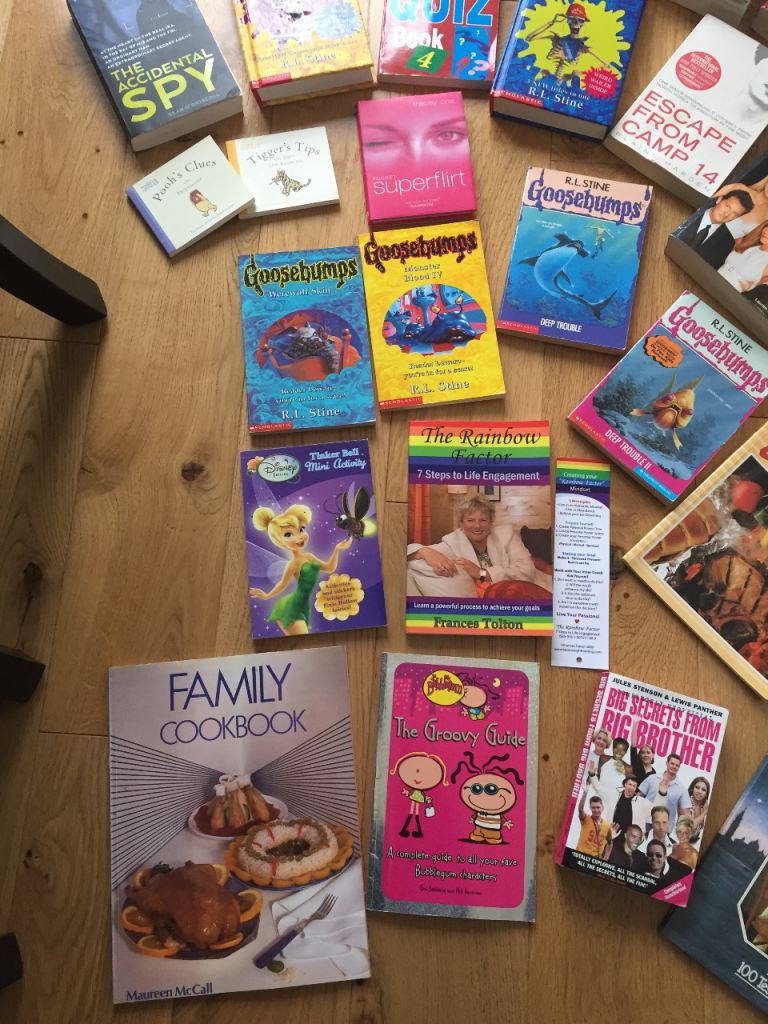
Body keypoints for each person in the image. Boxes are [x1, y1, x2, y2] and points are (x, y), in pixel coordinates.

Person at [406, 494, 538, 598]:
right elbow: (407, 551)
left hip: (521, 592)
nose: (477, 526)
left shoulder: (506, 535)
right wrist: (425, 552)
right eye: (470, 520)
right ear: (461, 524)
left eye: (483, 520)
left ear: (491, 522)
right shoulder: (453, 540)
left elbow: (527, 571)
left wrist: (482, 573)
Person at [249, 504, 352, 636]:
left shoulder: (309, 557)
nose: (299, 536)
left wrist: (337, 550)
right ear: (280, 542)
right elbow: (282, 583)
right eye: (288, 534)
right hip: (291, 607)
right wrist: (267, 595)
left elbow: (329, 568)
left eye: (301, 529)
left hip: (303, 605)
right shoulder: (293, 564)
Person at [525, 3, 618, 88]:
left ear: (583, 24)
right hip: (541, 77)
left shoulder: (583, 47)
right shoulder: (556, 39)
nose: (576, 24)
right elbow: (529, 38)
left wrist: (585, 73)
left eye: (580, 20)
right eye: (572, 19)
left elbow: (607, 65)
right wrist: (551, 23)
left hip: (565, 83)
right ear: (567, 21)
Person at [675, 190, 755, 269]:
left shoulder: (727, 244)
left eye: (735, 214)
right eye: (727, 206)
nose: (726, 214)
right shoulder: (692, 207)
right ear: (719, 200)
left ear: (736, 218)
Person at [390, 751, 449, 839]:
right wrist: (407, 793)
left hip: (417, 799)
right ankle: (408, 830)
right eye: (417, 771)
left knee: (415, 813)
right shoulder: (416, 791)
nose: (419, 777)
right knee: (412, 813)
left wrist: (426, 799)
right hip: (415, 798)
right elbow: (413, 793)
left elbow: (419, 795)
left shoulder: (419, 792)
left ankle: (415, 830)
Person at [639, 753, 691, 834]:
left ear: (679, 767)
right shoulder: (652, 778)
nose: (674, 766)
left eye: (677, 765)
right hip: (645, 822)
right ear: (667, 763)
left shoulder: (682, 789)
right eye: (672, 763)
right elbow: (638, 797)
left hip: (664, 828)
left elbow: (684, 814)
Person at [718, 222, 768, 293]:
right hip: (711, 277)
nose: (766, 231)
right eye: (767, 226)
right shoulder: (749, 244)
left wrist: (746, 285)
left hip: (726, 292)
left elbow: (753, 287)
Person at [575, 782, 612, 859]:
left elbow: (610, 843)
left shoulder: (606, 825)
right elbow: (580, 809)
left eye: (598, 807)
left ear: (602, 807)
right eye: (593, 808)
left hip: (594, 861)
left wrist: (605, 859)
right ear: (590, 808)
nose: (596, 810)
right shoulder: (586, 819)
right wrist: (585, 793)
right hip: (579, 856)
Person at [628, 718, 656, 783]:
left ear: (653, 755)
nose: (645, 755)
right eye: (643, 753)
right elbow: (633, 744)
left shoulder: (654, 773)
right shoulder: (636, 763)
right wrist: (635, 724)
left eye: (648, 753)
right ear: (640, 755)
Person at [686, 776, 710, 842]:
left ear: (706, 794)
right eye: (697, 787)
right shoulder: (686, 801)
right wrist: (705, 812)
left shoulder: (705, 804)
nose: (699, 791)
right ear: (692, 788)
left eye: (703, 790)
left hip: (695, 841)